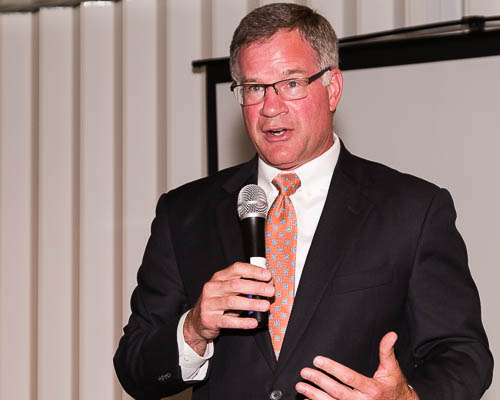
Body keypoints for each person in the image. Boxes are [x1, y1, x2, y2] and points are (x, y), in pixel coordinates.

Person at [114, 3, 493, 400]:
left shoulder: (412, 210)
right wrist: (193, 330)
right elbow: (134, 368)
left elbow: (464, 355)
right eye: (254, 88)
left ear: (333, 88)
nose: (270, 107)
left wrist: (407, 397)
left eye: (291, 83)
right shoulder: (184, 214)